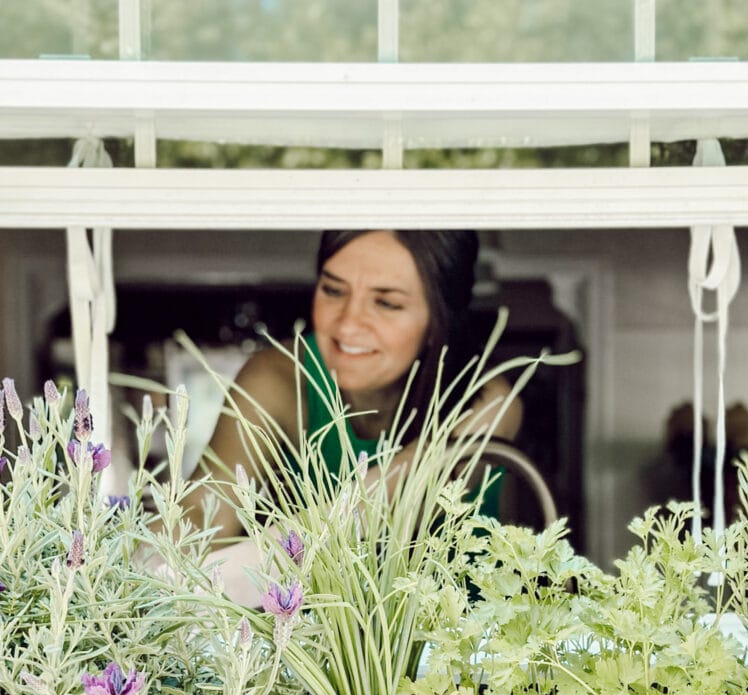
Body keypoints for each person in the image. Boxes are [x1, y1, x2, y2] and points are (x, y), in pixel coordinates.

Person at [187, 229, 522, 602]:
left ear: (438, 321)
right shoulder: (280, 378)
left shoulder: (487, 400)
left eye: (387, 304)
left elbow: (419, 500)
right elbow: (203, 511)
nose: (347, 324)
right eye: (333, 290)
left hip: (462, 648)